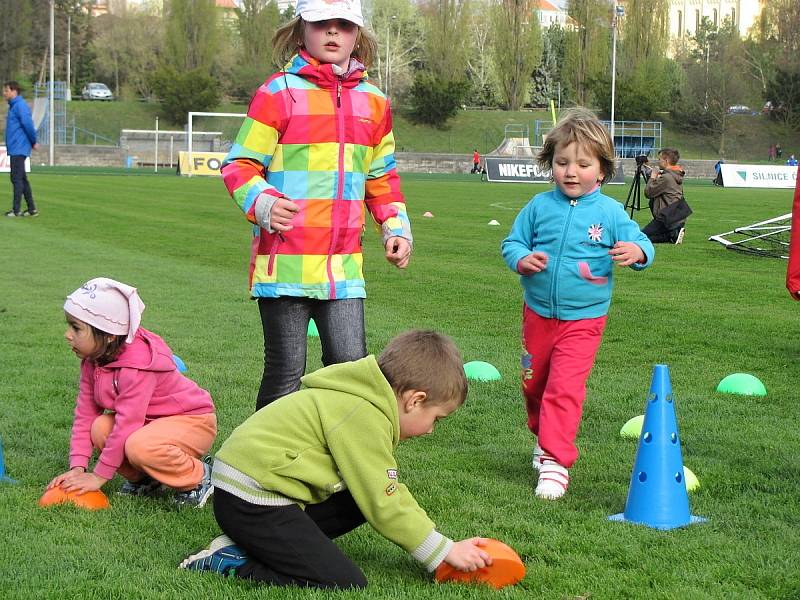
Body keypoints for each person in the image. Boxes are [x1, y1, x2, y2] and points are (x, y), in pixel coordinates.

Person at [179, 330, 492, 588]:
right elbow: (384, 500)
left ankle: (258, 544)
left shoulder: (364, 398)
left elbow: (381, 490)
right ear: (415, 400)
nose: (431, 431)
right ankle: (229, 561)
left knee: (360, 498)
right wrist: (442, 550)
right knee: (343, 581)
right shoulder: (363, 412)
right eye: (436, 418)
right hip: (252, 499)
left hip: (259, 490)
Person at [220, 0, 412, 412]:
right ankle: (260, 470)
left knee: (348, 373)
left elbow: (381, 177)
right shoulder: (277, 93)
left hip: (344, 269)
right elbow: (239, 165)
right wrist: (264, 202)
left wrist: (395, 228)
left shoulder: (375, 102)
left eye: (343, 25)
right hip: (284, 265)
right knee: (285, 375)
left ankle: (337, 469)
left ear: (357, 34)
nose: (332, 33)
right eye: (322, 23)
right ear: (302, 29)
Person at [501, 108, 655, 501]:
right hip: (537, 315)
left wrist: (637, 251)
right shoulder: (538, 207)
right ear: (550, 163)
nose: (571, 171)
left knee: (564, 387)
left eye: (583, 164)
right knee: (534, 385)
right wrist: (522, 258)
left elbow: (646, 244)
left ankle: (555, 462)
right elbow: (512, 243)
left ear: (601, 170)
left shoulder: (610, 212)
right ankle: (543, 436)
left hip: (584, 321)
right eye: (562, 162)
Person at [48, 277, 217, 508]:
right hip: (149, 424)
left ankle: (199, 477)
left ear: (108, 334)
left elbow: (127, 423)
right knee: (98, 427)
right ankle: (145, 480)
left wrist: (99, 477)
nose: (68, 334)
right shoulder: (93, 361)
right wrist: (78, 468)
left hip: (192, 421)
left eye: (76, 328)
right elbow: (85, 415)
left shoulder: (137, 367)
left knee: (139, 446)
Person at [3, 81, 38, 218]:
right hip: (16, 147)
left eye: (6, 90)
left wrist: (33, 141)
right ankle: (31, 209)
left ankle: (16, 210)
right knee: (22, 179)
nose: (4, 93)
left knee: (16, 178)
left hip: (19, 146)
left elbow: (28, 125)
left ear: (14, 91)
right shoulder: (14, 106)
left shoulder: (20, 106)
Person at [642, 148, 688, 244]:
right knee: (650, 237)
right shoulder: (676, 175)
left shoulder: (666, 177)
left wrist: (653, 177)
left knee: (641, 237)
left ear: (666, 161)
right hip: (677, 216)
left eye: (659, 159)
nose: (658, 162)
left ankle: (673, 234)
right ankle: (674, 232)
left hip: (666, 217)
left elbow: (648, 193)